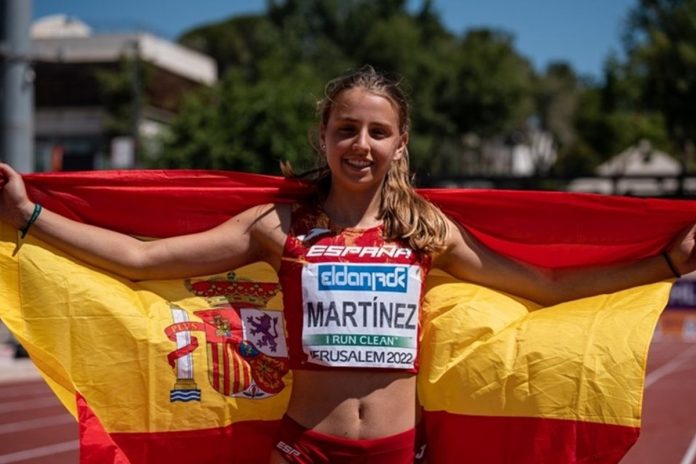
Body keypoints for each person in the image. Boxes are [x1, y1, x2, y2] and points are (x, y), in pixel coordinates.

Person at [0, 65, 693, 464]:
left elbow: (544, 284)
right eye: (346, 129)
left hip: (397, 452)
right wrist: (29, 215)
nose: (361, 144)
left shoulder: (422, 231)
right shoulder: (281, 225)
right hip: (303, 451)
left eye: (378, 131)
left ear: (400, 142)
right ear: (324, 137)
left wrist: (663, 262)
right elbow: (141, 259)